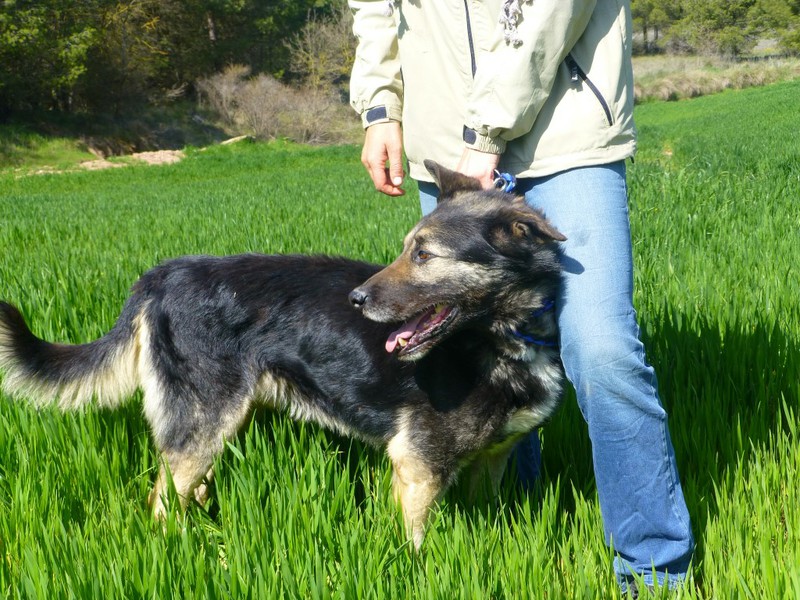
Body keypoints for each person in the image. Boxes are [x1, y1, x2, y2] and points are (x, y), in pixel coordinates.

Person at [348, 0, 694, 593]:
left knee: (602, 349)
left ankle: (654, 572)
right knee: (476, 355)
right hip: (447, 137)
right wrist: (379, 104)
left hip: (567, 130)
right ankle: (515, 520)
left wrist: (487, 131)